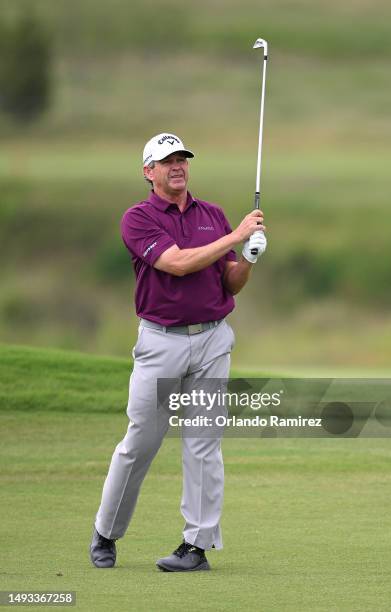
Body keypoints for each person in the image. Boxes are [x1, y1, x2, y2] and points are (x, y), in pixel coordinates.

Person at [90, 132, 267, 572]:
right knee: (140, 444)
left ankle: (197, 546)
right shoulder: (138, 218)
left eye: (183, 159)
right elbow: (178, 263)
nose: (178, 166)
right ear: (148, 171)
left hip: (212, 339)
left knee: (204, 444)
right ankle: (106, 532)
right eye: (167, 160)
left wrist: (248, 257)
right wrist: (236, 237)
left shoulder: (212, 214)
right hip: (160, 342)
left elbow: (230, 283)